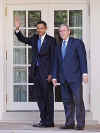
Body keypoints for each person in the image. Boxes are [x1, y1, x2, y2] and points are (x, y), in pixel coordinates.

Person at [15, 20, 56, 128]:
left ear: (45, 28)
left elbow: (54, 58)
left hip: (47, 74)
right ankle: (43, 121)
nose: (39, 30)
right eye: (38, 28)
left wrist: (52, 74)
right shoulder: (34, 38)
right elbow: (22, 39)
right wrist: (18, 29)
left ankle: (50, 121)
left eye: (41, 28)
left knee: (48, 98)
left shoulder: (51, 40)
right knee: (39, 98)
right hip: (36, 73)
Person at [52, 24, 88, 130]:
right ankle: (69, 123)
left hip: (75, 77)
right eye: (60, 31)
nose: (62, 33)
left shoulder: (77, 43)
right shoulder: (58, 46)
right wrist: (54, 76)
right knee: (67, 101)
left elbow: (82, 58)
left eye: (64, 30)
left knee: (78, 101)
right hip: (63, 79)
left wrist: (84, 73)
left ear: (69, 31)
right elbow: (56, 63)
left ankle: (80, 124)